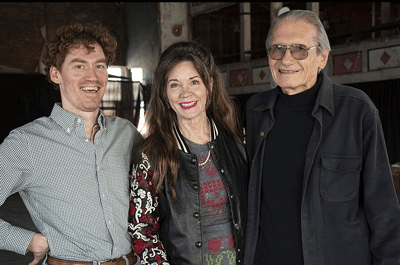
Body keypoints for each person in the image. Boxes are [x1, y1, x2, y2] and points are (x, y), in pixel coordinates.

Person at [244, 10, 400, 265]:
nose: (286, 59)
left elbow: (384, 212)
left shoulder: (356, 110)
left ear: (322, 56)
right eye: (278, 49)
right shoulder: (255, 111)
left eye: (299, 49)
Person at [0, 21, 141, 265]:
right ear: (56, 74)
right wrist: (28, 241)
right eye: (79, 65)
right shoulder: (27, 143)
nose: (93, 76)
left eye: (100, 65)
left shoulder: (126, 133)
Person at [128, 41, 248, 265]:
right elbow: (142, 231)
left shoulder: (237, 143)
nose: (186, 93)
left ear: (209, 85)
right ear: (164, 93)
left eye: (194, 82)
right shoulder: (151, 155)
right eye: (175, 85)